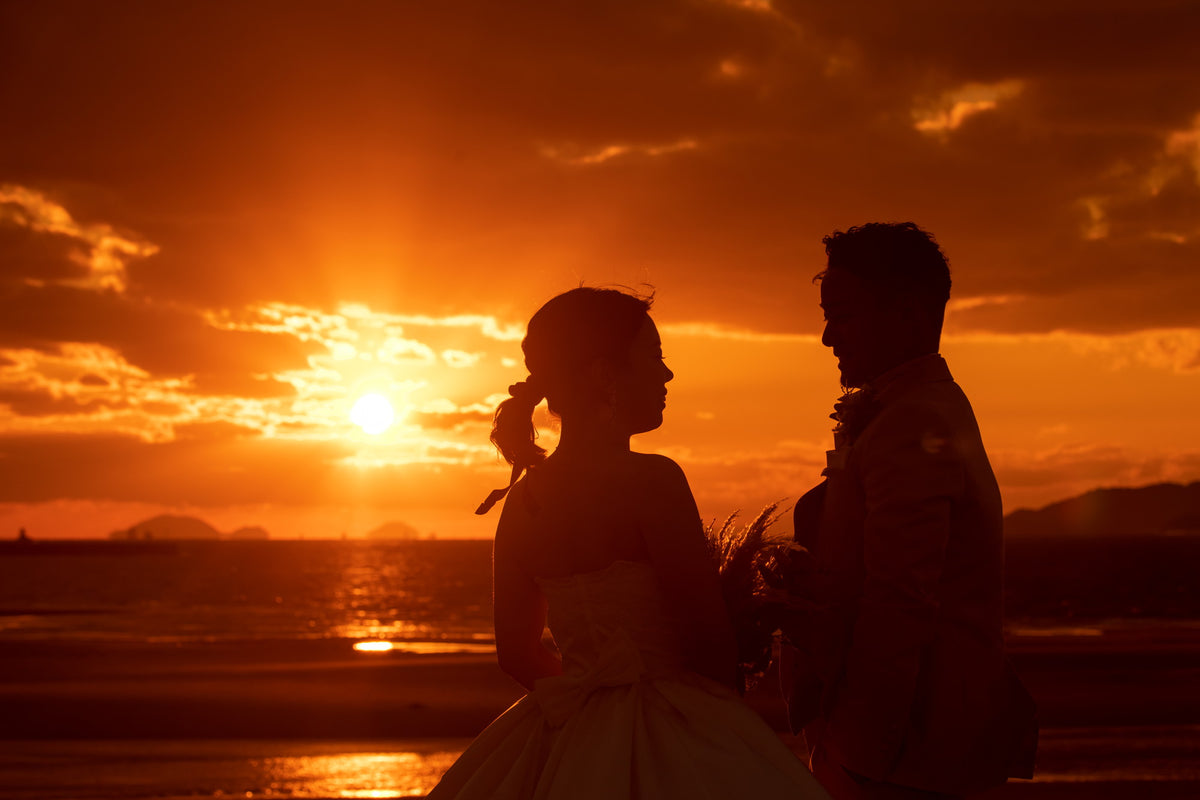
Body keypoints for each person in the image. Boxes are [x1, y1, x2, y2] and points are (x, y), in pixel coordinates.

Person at [428, 287, 829, 800]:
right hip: (680, 722)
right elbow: (707, 639)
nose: (667, 375)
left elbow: (517, 654)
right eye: (655, 358)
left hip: (563, 725)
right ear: (603, 374)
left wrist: (589, 702)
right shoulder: (652, 481)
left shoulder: (522, 502)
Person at [783, 223, 1038, 799]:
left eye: (842, 315)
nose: (827, 337)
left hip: (908, 752)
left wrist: (861, 751)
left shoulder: (914, 421)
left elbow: (900, 600)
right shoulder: (910, 410)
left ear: (906, 313)